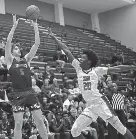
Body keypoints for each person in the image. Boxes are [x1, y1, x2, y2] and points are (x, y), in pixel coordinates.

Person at [48, 28, 136, 139]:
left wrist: (132, 66)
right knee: (75, 130)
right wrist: (54, 37)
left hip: (100, 102)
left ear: (89, 61)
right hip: (89, 105)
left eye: (83, 57)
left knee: (120, 128)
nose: (80, 58)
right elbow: (66, 50)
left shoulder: (96, 70)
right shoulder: (78, 67)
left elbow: (116, 69)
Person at [5, 14, 48, 139]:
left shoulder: (26, 60)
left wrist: (35, 26)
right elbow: (8, 41)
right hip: (17, 94)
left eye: (19, 48)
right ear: (12, 51)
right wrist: (14, 26)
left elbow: (36, 44)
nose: (19, 49)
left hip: (30, 92)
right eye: (16, 48)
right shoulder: (9, 61)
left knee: (39, 120)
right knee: (18, 123)